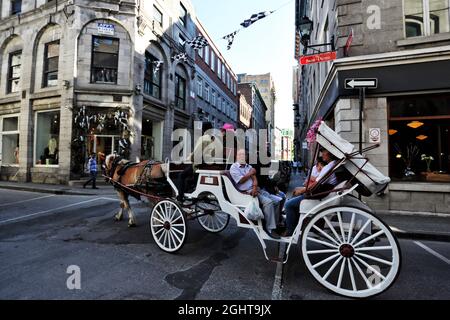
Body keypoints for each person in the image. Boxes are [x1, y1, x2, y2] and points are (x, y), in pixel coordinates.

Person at [282, 149, 338, 237]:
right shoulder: (333, 165)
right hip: (322, 193)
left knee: (288, 204)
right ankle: (291, 222)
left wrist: (303, 190)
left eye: (324, 151)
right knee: (293, 200)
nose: (322, 154)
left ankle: (290, 230)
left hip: (319, 195)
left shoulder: (328, 167)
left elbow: (316, 184)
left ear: (330, 153)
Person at [230, 149, 282, 239]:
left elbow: (254, 179)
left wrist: (254, 187)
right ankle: (270, 229)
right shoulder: (234, 167)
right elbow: (241, 180)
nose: (243, 157)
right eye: (240, 155)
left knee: (277, 200)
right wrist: (250, 173)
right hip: (245, 192)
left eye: (244, 155)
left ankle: (275, 224)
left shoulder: (248, 166)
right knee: (268, 202)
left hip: (255, 189)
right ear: (237, 156)